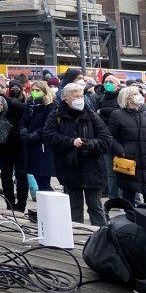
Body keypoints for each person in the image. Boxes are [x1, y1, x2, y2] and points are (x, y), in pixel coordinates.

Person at [44, 82, 111, 226]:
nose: (80, 99)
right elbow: (49, 137)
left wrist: (92, 144)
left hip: (93, 167)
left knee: (96, 206)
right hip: (69, 167)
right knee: (74, 207)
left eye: (81, 96)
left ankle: (100, 237)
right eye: (76, 97)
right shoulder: (56, 115)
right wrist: (70, 142)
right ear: (66, 99)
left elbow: (106, 139)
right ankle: (76, 235)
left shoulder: (91, 115)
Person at [107, 85, 146, 204]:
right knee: (129, 198)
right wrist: (122, 151)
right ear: (127, 99)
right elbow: (110, 137)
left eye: (139, 93)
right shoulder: (117, 115)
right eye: (135, 94)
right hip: (128, 162)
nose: (139, 96)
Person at [0, 91, 28, 212]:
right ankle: (9, 205)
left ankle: (21, 206)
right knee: (5, 176)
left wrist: (19, 136)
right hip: (2, 147)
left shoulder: (17, 107)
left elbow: (25, 124)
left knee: (21, 176)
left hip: (19, 146)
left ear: (2, 105)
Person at [19, 79, 57, 195]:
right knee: (38, 178)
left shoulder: (51, 107)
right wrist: (23, 131)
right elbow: (23, 122)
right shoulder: (30, 105)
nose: (34, 92)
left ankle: (50, 207)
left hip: (43, 147)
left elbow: (48, 126)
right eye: (33, 90)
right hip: (30, 146)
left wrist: (33, 136)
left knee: (43, 181)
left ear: (45, 92)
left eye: (38, 90)